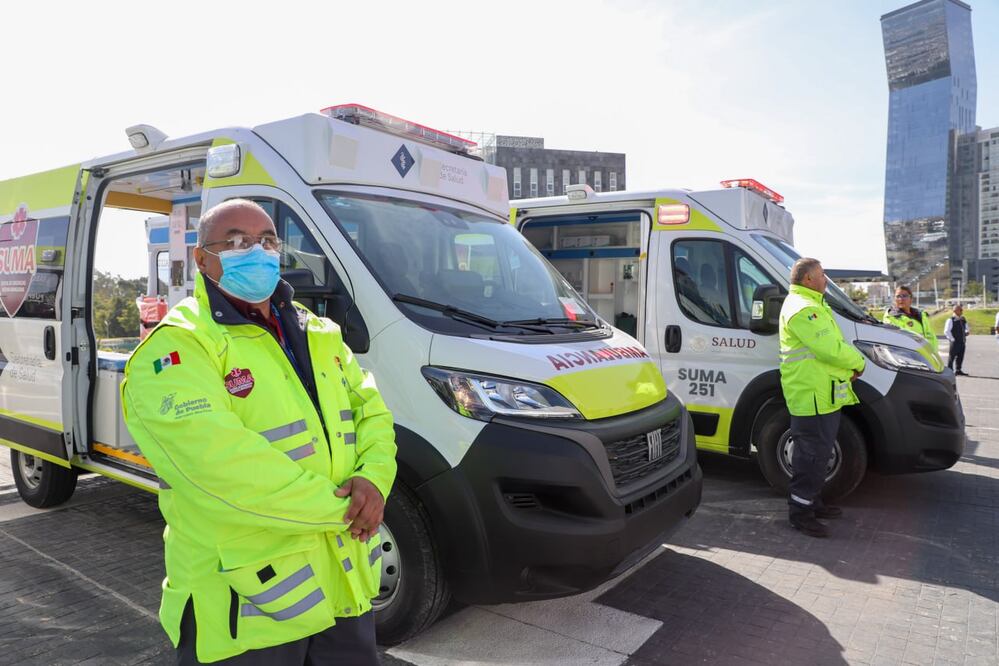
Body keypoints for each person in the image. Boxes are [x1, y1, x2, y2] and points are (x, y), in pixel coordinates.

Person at [121, 199, 397, 665]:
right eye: (236, 241)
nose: (257, 249)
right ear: (202, 259)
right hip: (243, 607)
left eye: (267, 239)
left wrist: (374, 480)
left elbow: (373, 414)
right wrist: (347, 510)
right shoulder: (178, 346)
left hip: (341, 590)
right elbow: (221, 468)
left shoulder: (319, 332)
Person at [778, 258, 866, 538]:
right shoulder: (804, 309)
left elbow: (829, 349)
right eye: (821, 274)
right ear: (807, 280)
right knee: (810, 456)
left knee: (818, 453)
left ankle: (812, 502)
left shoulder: (812, 304)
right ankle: (800, 512)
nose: (826, 278)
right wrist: (859, 363)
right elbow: (830, 349)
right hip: (811, 396)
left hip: (821, 394)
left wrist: (846, 367)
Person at [882, 285, 939, 355]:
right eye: (898, 296)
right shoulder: (891, 317)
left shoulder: (921, 315)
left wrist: (933, 353)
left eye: (904, 296)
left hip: (928, 357)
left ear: (911, 299)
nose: (901, 299)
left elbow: (931, 336)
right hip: (909, 359)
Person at [944, 305, 970, 375]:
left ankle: (958, 370)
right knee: (951, 357)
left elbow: (967, 327)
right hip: (954, 342)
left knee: (960, 357)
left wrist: (967, 331)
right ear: (955, 311)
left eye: (962, 309)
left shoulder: (963, 319)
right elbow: (946, 331)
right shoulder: (950, 320)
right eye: (960, 310)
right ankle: (950, 371)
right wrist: (952, 339)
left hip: (962, 341)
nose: (962, 311)